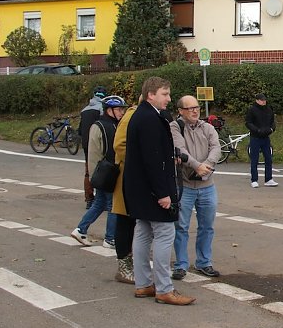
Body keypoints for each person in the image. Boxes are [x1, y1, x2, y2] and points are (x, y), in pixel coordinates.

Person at [125, 77, 195, 306]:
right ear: (151, 95)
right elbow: (152, 160)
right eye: (164, 94)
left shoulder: (143, 115)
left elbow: (152, 154)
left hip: (139, 189)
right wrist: (163, 193)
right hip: (153, 190)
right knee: (165, 233)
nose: (168, 98)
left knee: (143, 232)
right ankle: (164, 289)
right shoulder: (149, 119)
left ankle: (144, 284)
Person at [170, 95, 221, 281]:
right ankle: (181, 265)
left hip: (207, 185)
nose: (194, 111)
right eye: (190, 108)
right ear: (180, 111)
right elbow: (180, 150)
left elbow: (216, 147)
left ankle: (204, 262)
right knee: (181, 226)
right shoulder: (175, 127)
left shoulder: (207, 127)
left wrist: (205, 166)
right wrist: (195, 166)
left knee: (207, 226)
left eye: (197, 107)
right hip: (184, 186)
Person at [70, 95, 127, 248]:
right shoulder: (105, 126)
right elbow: (103, 152)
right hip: (108, 173)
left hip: (104, 172)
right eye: (119, 109)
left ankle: (80, 230)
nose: (122, 112)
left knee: (99, 203)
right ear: (110, 110)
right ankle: (110, 238)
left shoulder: (106, 124)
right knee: (113, 205)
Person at [110, 96, 141, 285]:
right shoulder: (132, 115)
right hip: (127, 176)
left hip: (138, 178)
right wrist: (140, 162)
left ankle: (133, 262)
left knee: (135, 222)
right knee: (125, 220)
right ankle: (123, 266)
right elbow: (119, 145)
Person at [79, 85, 108, 208]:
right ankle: (104, 200)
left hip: (86, 144)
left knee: (88, 171)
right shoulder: (102, 109)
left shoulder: (85, 110)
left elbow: (80, 130)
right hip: (98, 143)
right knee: (104, 170)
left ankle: (89, 199)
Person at [245, 93, 278, 188]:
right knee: (254, 159)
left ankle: (269, 179)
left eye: (264, 100)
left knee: (268, 158)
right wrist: (257, 130)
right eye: (262, 100)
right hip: (255, 137)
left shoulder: (268, 109)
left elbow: (273, 121)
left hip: (266, 137)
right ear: (257, 100)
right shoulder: (252, 109)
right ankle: (254, 180)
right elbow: (248, 123)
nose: (264, 101)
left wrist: (272, 129)